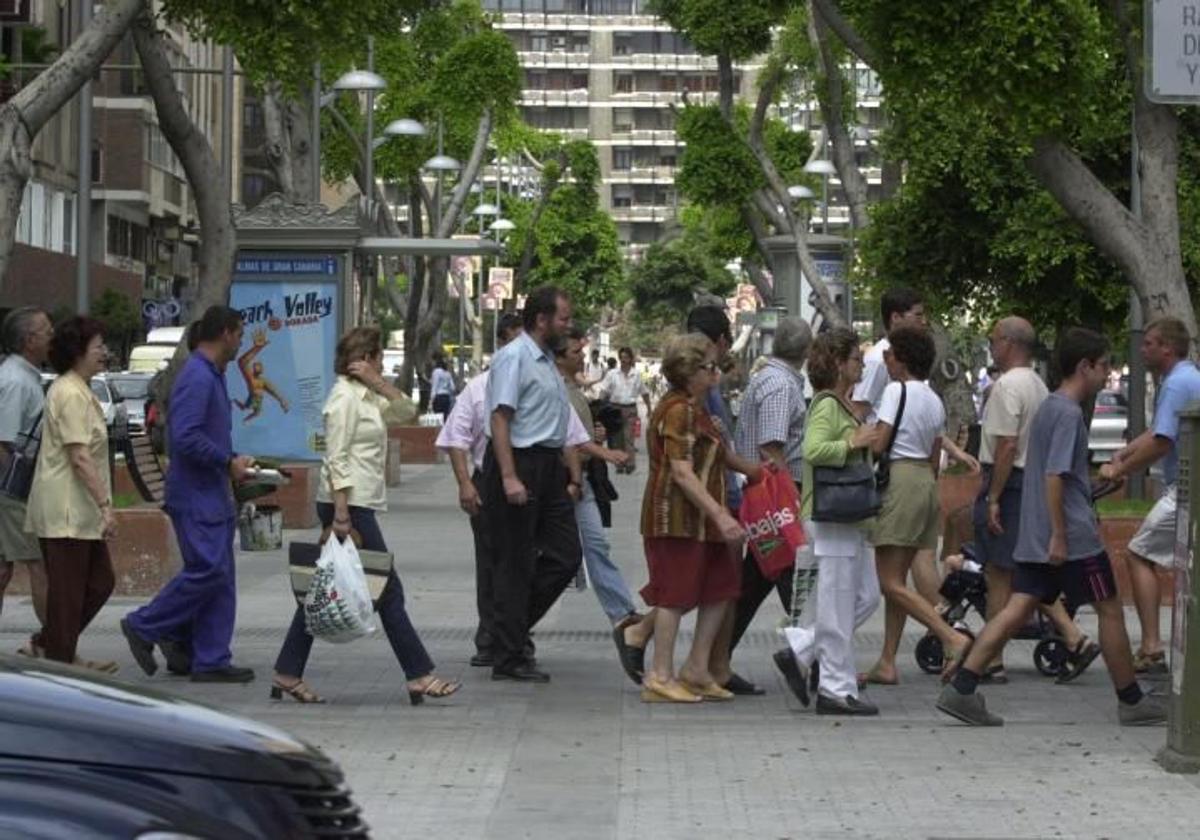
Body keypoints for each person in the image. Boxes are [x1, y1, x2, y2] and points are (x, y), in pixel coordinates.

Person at [937, 328, 1166, 727]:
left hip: (1037, 532)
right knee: (1109, 609)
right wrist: (1060, 533)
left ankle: (963, 687)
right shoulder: (1066, 412)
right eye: (1104, 365)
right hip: (1071, 538)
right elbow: (1054, 476)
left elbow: (1054, 473)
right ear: (1085, 366)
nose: (1108, 372)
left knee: (1017, 606)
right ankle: (1130, 700)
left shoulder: (1049, 408)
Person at [270, 326, 459, 705]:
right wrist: (340, 514)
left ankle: (287, 673)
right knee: (388, 591)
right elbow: (336, 457)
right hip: (347, 505)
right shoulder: (343, 400)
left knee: (322, 588)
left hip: (357, 503)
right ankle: (418, 675)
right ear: (367, 357)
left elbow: (409, 412)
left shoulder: (367, 397)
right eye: (377, 358)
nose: (380, 366)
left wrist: (381, 385)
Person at [122, 306, 257, 682]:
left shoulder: (211, 375)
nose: (242, 340)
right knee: (208, 570)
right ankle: (146, 625)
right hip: (196, 495)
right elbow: (185, 437)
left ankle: (206, 656)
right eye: (240, 333)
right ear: (227, 333)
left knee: (220, 576)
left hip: (211, 492)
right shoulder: (197, 377)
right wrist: (226, 461)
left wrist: (231, 464)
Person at [638, 333, 763, 703]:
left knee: (721, 587)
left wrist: (755, 471)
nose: (717, 373)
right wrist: (720, 515)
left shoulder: (698, 408)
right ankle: (660, 674)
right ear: (691, 372)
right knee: (674, 594)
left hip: (703, 516)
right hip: (675, 516)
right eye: (710, 367)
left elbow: (719, 454)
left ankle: (697, 668)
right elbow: (681, 472)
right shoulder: (677, 409)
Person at [973, 317, 1097, 684]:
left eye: (994, 339)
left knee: (1000, 573)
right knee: (1027, 573)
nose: (992, 347)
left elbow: (1006, 444)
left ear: (1009, 343)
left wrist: (993, 496)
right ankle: (1073, 637)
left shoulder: (1007, 386)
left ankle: (990, 660)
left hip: (1009, 482)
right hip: (1030, 483)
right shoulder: (1039, 385)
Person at [482, 285, 586, 683]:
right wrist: (509, 476)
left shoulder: (545, 361)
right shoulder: (514, 358)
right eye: (563, 318)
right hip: (519, 463)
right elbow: (500, 419)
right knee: (516, 561)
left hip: (548, 466)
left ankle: (509, 628)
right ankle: (508, 654)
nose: (568, 325)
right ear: (541, 319)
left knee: (565, 555)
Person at [776, 328, 881, 714]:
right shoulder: (826, 405)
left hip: (845, 518)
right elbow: (813, 451)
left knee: (865, 595)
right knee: (837, 604)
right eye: (856, 358)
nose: (862, 365)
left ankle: (802, 647)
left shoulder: (840, 405)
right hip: (831, 515)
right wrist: (854, 442)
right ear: (838, 363)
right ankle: (835, 688)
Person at [862, 326, 972, 684]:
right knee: (900, 578)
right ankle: (887, 660)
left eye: (890, 354)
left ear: (903, 360)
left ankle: (950, 636)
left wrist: (857, 437)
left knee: (889, 582)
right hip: (926, 483)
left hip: (901, 480)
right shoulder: (934, 399)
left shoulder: (896, 391)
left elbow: (880, 445)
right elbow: (934, 451)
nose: (885, 359)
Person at [1101, 317, 1200, 675]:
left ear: (1167, 349)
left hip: (1186, 489)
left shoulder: (1176, 384)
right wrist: (1124, 453)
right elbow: (1159, 432)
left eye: (1149, 344)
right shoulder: (1184, 379)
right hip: (1185, 486)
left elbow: (1162, 442)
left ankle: (1151, 646)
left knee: (1139, 554)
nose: (1143, 350)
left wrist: (1121, 470)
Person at [23, 316, 117, 671]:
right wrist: (106, 505)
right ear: (78, 352)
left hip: (78, 511)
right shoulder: (69, 392)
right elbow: (79, 456)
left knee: (99, 582)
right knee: (69, 593)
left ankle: (47, 645)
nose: (103, 353)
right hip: (65, 510)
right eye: (97, 347)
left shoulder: (80, 389)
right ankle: (58, 665)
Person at [436, 312, 524, 667]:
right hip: (488, 483)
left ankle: (515, 633)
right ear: (502, 343)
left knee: (524, 565)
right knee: (490, 564)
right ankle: (490, 638)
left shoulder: (536, 382)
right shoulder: (478, 388)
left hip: (530, 481)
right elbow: (456, 439)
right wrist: (465, 485)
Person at [728, 316, 812, 656]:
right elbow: (771, 447)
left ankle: (716, 658)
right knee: (790, 574)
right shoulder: (780, 384)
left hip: (771, 492)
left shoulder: (773, 378)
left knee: (756, 581)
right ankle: (810, 654)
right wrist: (786, 501)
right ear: (806, 349)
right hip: (776, 493)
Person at [554, 326, 641, 629]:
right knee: (557, 559)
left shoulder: (573, 389)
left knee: (596, 545)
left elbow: (579, 435)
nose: (582, 357)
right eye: (576, 352)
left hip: (583, 479)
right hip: (564, 480)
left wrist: (598, 438)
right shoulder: (554, 389)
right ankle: (514, 625)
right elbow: (568, 439)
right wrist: (604, 454)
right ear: (559, 357)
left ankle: (623, 613)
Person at [0, 307, 51, 632]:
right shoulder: (16, 382)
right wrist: (14, 494)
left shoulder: (21, 377)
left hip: (11, 487)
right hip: (13, 490)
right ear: (30, 340)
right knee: (39, 565)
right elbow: (2, 443)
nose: (53, 335)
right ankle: (58, 650)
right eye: (47, 330)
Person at [598, 346, 652, 474]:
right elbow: (604, 390)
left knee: (629, 438)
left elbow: (644, 392)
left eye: (626, 358)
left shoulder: (636, 374)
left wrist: (649, 408)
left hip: (630, 409)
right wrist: (599, 406)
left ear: (631, 359)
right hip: (615, 409)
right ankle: (619, 464)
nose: (624, 360)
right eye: (622, 358)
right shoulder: (612, 374)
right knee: (617, 438)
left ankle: (630, 463)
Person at [430, 355, 455, 421]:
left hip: (438, 397)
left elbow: (434, 387)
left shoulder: (436, 372)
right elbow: (453, 388)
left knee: (438, 418)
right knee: (445, 418)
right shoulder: (447, 373)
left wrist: (431, 401)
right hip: (446, 398)